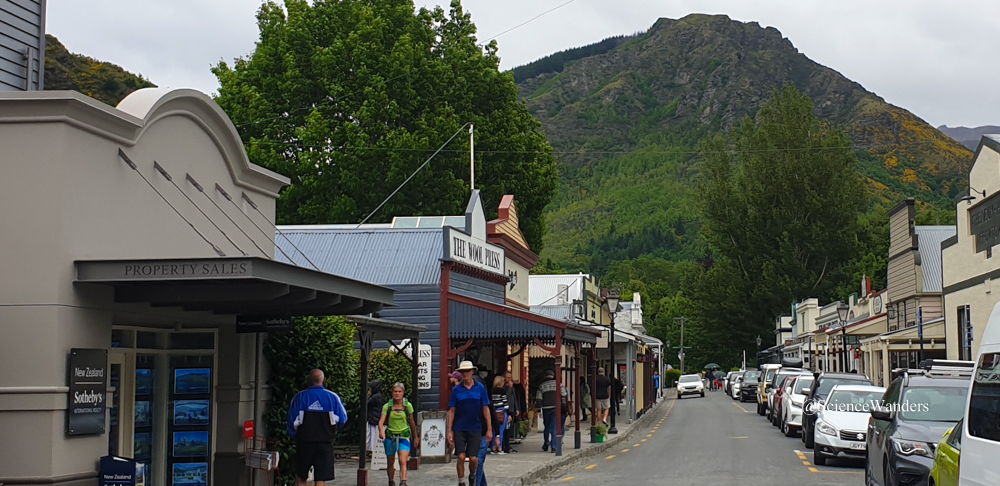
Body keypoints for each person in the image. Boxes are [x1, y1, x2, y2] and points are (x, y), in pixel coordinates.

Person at [287, 369, 348, 486]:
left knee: (301, 476)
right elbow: (343, 419)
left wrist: (295, 435)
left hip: (304, 443)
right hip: (324, 443)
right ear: (324, 380)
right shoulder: (333, 397)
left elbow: (292, 421)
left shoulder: (300, 397)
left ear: (308, 381)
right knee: (321, 477)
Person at [448, 361, 492, 486]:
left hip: (475, 427)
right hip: (459, 427)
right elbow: (452, 410)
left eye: (467, 371)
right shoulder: (457, 390)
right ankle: (461, 481)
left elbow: (486, 409)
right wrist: (449, 431)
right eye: (463, 372)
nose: (465, 374)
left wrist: (489, 429)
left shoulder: (480, 388)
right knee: (461, 456)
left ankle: (472, 476)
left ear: (472, 372)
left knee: (473, 458)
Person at [378, 382, 419, 486]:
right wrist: (381, 432)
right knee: (390, 461)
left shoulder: (407, 406)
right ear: (392, 393)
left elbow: (412, 422)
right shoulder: (387, 406)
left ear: (403, 393)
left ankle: (403, 481)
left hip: (404, 435)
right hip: (390, 436)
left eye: (399, 392)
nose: (397, 394)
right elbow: (381, 422)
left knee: (402, 460)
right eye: (395, 391)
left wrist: (415, 437)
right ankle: (391, 481)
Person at [535, 369, 567, 452]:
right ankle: (553, 446)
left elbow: (539, 398)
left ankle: (546, 443)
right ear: (553, 376)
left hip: (546, 408)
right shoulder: (558, 385)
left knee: (546, 427)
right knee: (554, 427)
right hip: (556, 408)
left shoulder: (542, 386)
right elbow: (564, 394)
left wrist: (539, 410)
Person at [489, 376, 508, 454]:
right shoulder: (502, 390)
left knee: (494, 429)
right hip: (501, 410)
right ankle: (499, 447)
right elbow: (505, 402)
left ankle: (493, 446)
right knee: (501, 429)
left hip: (494, 411)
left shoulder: (491, 390)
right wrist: (509, 412)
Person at [366, 380, 385, 457]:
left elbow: (367, 403)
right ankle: (371, 450)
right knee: (371, 435)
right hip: (374, 418)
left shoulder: (375, 397)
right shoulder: (378, 396)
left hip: (374, 419)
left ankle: (372, 450)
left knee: (372, 435)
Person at [502, 372, 519, 452]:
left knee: (510, 428)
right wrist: (509, 387)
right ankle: (505, 445)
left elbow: (514, 398)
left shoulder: (512, 388)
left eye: (510, 377)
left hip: (512, 409)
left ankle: (507, 445)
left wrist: (517, 409)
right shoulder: (503, 387)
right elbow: (506, 397)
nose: (509, 379)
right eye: (507, 377)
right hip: (506, 409)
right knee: (505, 429)